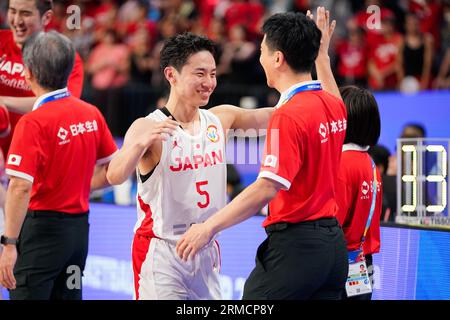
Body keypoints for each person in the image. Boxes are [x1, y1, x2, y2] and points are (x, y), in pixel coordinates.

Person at [176, 8, 349, 300]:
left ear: (278, 58)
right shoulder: (334, 105)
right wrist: (321, 55)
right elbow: (331, 92)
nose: (260, 58)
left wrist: (208, 227)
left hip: (296, 250)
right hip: (333, 249)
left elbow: (267, 187)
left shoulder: (290, 115)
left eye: (262, 51)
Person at [106, 31, 275, 300]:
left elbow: (276, 116)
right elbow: (114, 175)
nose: (209, 82)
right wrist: (139, 145)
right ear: (171, 75)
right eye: (200, 74)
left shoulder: (221, 118)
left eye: (213, 74)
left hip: (205, 248)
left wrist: (319, 67)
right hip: (161, 253)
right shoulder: (147, 125)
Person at [0, 31, 117, 300]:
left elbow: (19, 188)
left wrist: (9, 244)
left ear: (27, 73)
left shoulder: (33, 122)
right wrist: (75, 188)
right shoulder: (91, 113)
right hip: (78, 232)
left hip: (41, 233)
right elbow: (111, 172)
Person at [0, 0, 84, 158]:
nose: (17, 20)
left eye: (26, 13)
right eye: (12, 11)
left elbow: (61, 104)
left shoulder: (63, 55)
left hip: (39, 160)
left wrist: (3, 101)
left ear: (46, 17)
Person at [335, 85, 383, 300]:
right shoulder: (370, 163)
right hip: (363, 264)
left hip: (341, 264)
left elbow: (332, 222)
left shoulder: (342, 163)